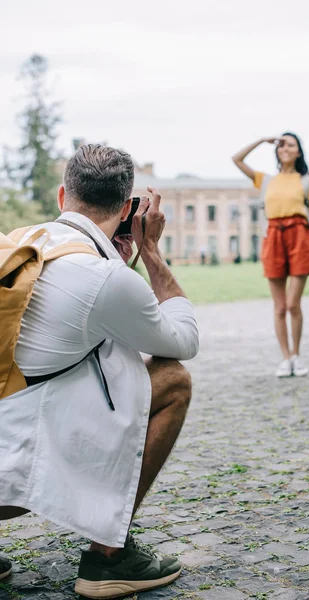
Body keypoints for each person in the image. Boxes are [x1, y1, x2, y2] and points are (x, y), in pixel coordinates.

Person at [0, 144, 199, 598]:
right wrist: (148, 251)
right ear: (129, 208)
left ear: (61, 196)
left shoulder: (20, 241)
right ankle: (110, 557)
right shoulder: (105, 277)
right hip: (8, 478)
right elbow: (183, 341)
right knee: (173, 380)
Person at [232, 134, 309, 377]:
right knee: (280, 307)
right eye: (282, 145)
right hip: (273, 237)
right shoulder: (265, 180)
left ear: (299, 152)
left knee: (293, 304)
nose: (285, 148)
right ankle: (286, 358)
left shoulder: (306, 180)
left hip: (301, 237)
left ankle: (297, 355)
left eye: (290, 144)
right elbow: (237, 159)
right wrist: (261, 140)